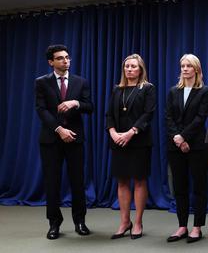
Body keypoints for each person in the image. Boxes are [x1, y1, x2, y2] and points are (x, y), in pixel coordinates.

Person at [35, 44, 93, 239]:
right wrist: (59, 130)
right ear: (51, 62)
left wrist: (75, 103)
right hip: (51, 139)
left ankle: (80, 221)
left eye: (67, 57)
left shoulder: (81, 82)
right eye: (60, 58)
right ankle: (54, 224)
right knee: (52, 182)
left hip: (75, 139)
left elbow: (89, 106)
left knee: (78, 182)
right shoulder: (41, 82)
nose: (65, 61)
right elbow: (41, 110)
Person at [105, 54, 156, 240]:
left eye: (133, 66)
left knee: (140, 180)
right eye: (127, 66)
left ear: (140, 69)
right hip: (118, 140)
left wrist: (131, 132)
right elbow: (109, 114)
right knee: (122, 181)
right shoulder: (117, 90)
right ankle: (124, 222)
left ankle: (138, 222)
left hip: (139, 141)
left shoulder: (148, 89)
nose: (129, 69)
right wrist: (113, 133)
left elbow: (148, 114)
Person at [164, 54, 208, 243]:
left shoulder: (205, 92)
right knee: (179, 187)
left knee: (199, 187)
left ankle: (197, 227)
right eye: (182, 66)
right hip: (175, 145)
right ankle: (182, 226)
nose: (184, 69)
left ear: (196, 69)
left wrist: (184, 137)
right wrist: (178, 138)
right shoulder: (173, 91)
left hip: (197, 145)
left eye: (188, 66)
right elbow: (168, 117)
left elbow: (200, 119)